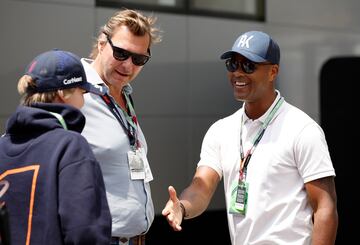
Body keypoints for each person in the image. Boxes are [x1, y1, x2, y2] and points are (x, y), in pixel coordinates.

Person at [162, 30, 338, 244]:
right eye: (232, 64)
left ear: (273, 72)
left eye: (248, 66)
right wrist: (181, 207)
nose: (237, 73)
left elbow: (325, 208)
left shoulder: (302, 129)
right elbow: (201, 188)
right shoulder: (221, 130)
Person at [0, 49, 112, 244]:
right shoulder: (70, 146)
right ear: (63, 93)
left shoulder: (2, 146)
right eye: (82, 92)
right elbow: (85, 232)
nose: (83, 101)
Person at [80, 9, 162, 245]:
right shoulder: (72, 90)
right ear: (102, 43)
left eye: (139, 59)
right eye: (121, 53)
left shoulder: (123, 94)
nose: (128, 65)